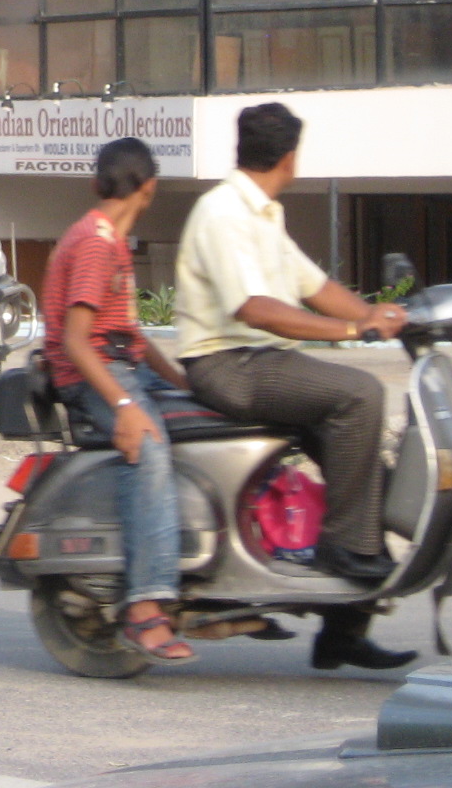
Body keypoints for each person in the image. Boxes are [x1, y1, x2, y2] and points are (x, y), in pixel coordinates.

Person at [175, 101, 415, 671]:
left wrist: (379, 315)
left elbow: (314, 286)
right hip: (228, 364)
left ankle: (343, 634)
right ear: (290, 157)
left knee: (368, 475)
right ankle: (344, 549)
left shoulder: (263, 212)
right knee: (361, 395)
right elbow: (256, 309)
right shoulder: (223, 212)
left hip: (259, 360)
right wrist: (354, 330)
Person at [43, 137, 195, 662]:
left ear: (97, 183)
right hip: (91, 375)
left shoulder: (111, 240)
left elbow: (129, 334)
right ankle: (144, 607)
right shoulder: (94, 243)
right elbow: (76, 341)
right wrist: (126, 409)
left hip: (121, 365)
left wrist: (182, 382)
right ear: (149, 188)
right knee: (149, 449)